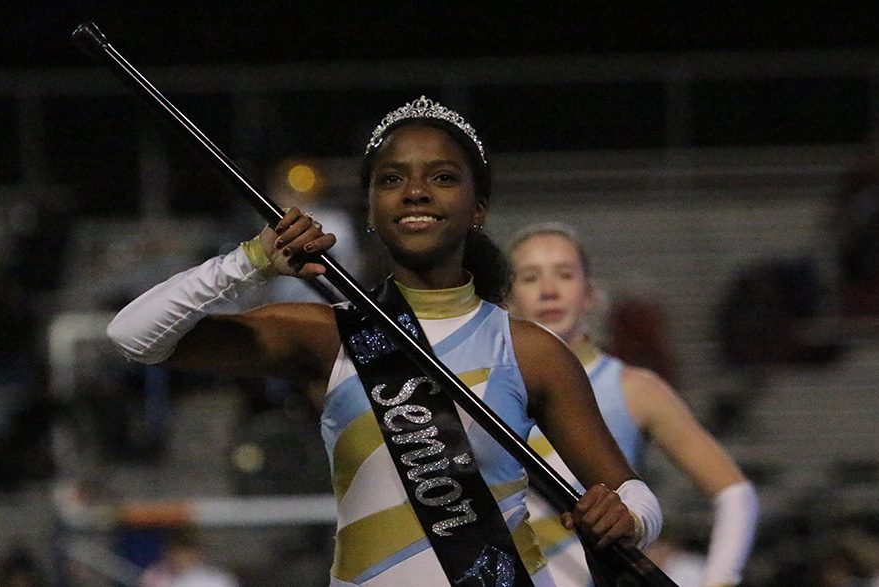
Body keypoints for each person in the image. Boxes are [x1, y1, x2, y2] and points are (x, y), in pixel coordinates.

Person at [107, 96, 663, 586]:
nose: (416, 192)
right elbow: (133, 336)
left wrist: (628, 517)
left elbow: (634, 493)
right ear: (371, 208)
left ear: (479, 208)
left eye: (443, 178)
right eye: (392, 179)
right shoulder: (323, 336)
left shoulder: (529, 350)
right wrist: (250, 259)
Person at [505, 223, 759, 587]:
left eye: (565, 274)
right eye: (529, 277)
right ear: (507, 298)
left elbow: (735, 493)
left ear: (591, 293)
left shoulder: (634, 388)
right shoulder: (483, 384)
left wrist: (719, 579)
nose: (549, 291)